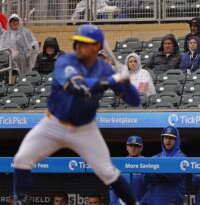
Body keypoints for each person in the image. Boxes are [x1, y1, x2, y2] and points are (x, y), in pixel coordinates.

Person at [12, 24, 139, 205]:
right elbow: (79, 87)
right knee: (21, 159)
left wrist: (126, 80)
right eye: (77, 42)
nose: (78, 47)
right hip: (53, 124)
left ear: (96, 47)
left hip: (85, 129)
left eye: (84, 43)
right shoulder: (66, 61)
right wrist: (114, 79)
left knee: (108, 173)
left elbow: (134, 101)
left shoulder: (106, 70)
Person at [140, 126, 186, 205]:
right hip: (154, 201)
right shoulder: (154, 158)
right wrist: (164, 174)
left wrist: (155, 172)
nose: (168, 140)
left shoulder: (182, 157)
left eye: (171, 138)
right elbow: (146, 177)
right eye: (165, 137)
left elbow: (174, 175)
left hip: (173, 201)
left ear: (176, 140)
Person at [109, 135, 147, 204]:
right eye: (130, 145)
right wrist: (114, 203)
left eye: (136, 146)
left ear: (141, 148)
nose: (133, 148)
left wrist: (143, 203)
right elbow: (113, 187)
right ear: (126, 147)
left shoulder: (147, 163)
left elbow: (151, 188)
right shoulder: (120, 163)